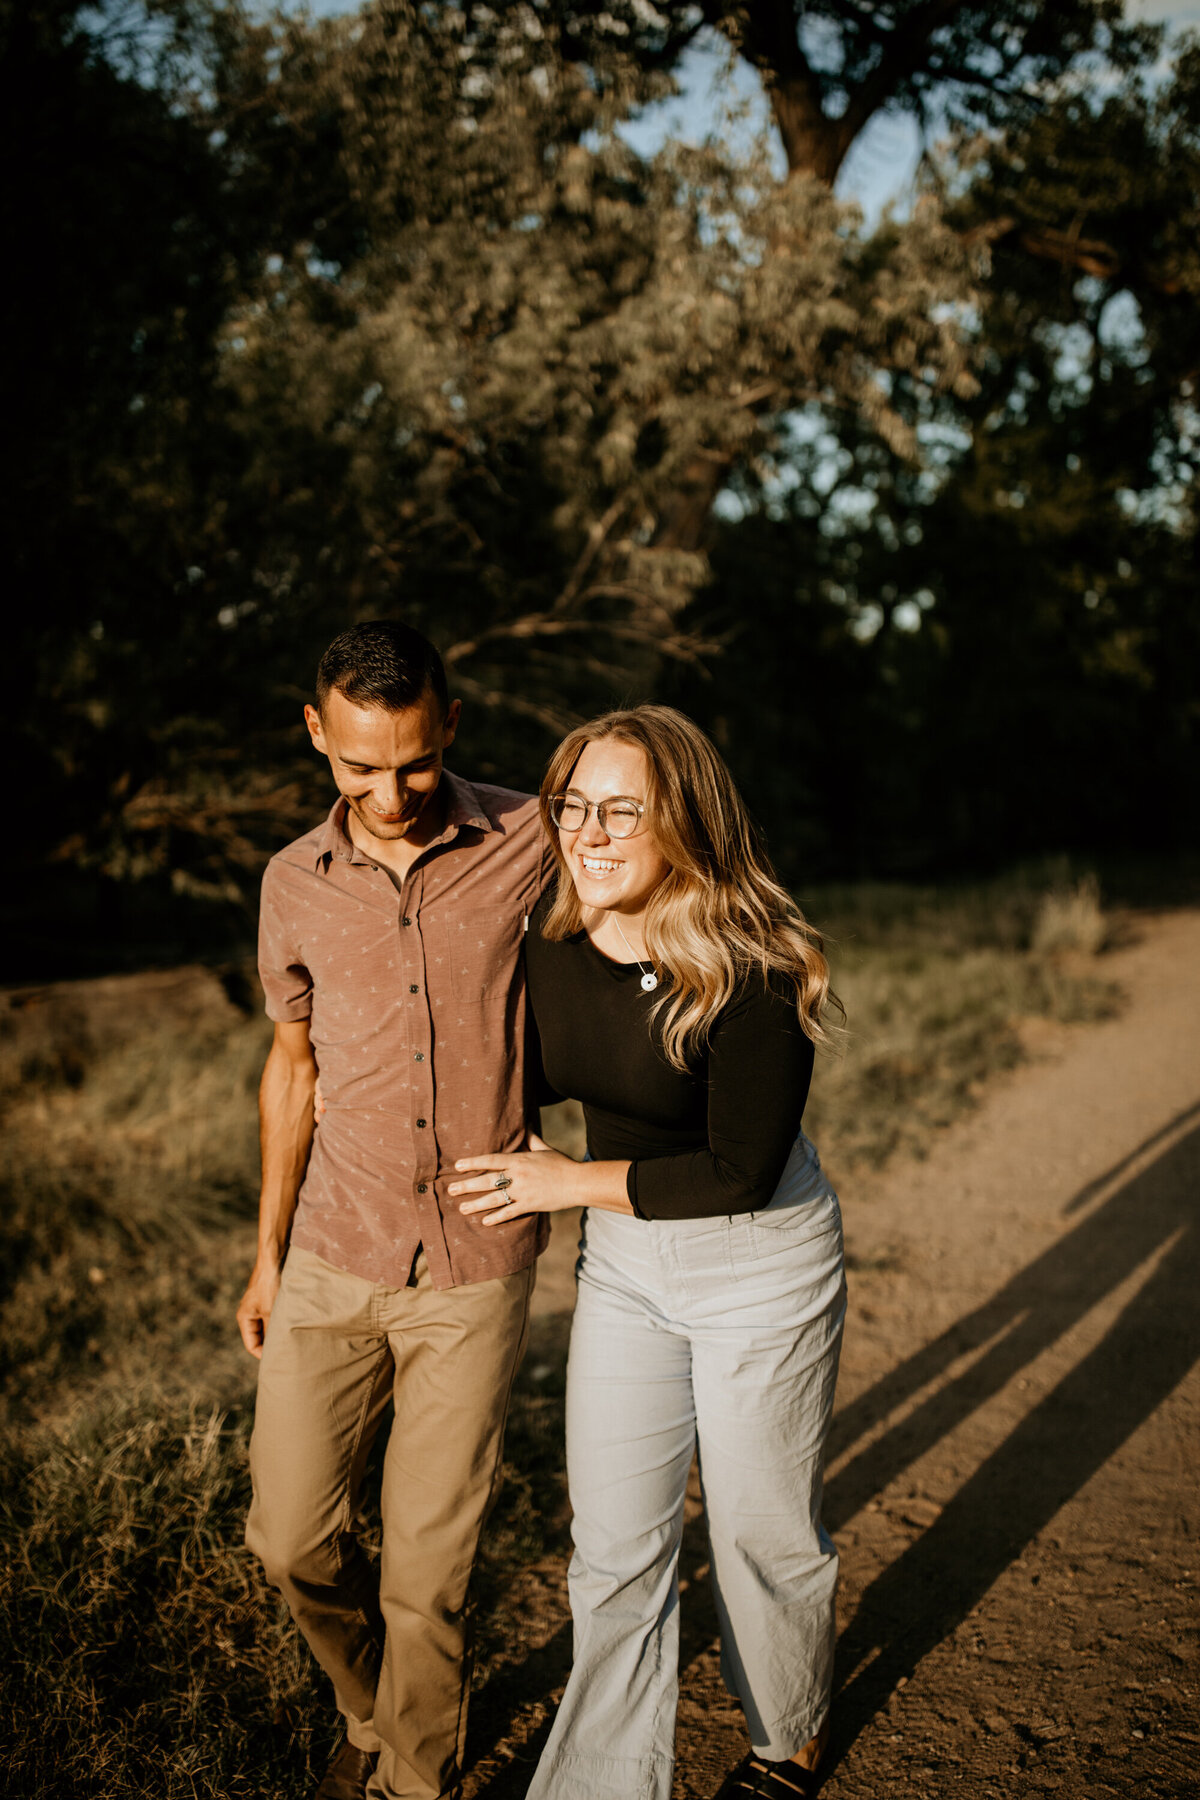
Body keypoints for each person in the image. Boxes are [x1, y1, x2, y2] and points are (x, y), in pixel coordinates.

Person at [448, 705, 846, 1800]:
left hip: (759, 1263)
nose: (591, 832)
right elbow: (522, 1077)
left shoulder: (754, 961)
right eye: (574, 807)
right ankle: (604, 1784)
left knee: (762, 1529)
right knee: (616, 1548)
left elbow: (737, 1172)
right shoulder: (552, 934)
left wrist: (565, 1185)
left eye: (624, 809)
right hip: (629, 1267)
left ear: (686, 819)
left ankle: (789, 1738)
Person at [236, 620, 552, 1800]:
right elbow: (292, 1072)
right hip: (332, 1249)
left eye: (414, 763)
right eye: (359, 766)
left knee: (429, 1566)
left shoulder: (533, 836)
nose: (391, 792)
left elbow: (637, 927)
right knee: (291, 1540)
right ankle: (376, 1704)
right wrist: (266, 1260)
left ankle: (418, 1773)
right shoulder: (289, 883)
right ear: (316, 733)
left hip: (477, 1256)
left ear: (450, 726)